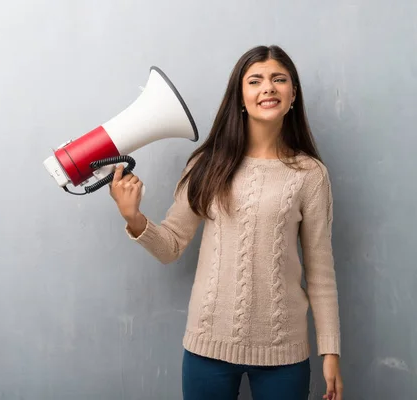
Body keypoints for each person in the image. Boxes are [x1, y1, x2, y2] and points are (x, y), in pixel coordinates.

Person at [109, 45, 343, 400]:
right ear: (240, 96)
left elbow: (321, 271)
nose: (268, 87)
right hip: (207, 348)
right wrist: (133, 217)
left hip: (284, 351)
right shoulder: (207, 164)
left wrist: (331, 352)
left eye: (279, 79)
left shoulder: (310, 174)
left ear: (293, 94)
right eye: (255, 80)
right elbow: (171, 245)